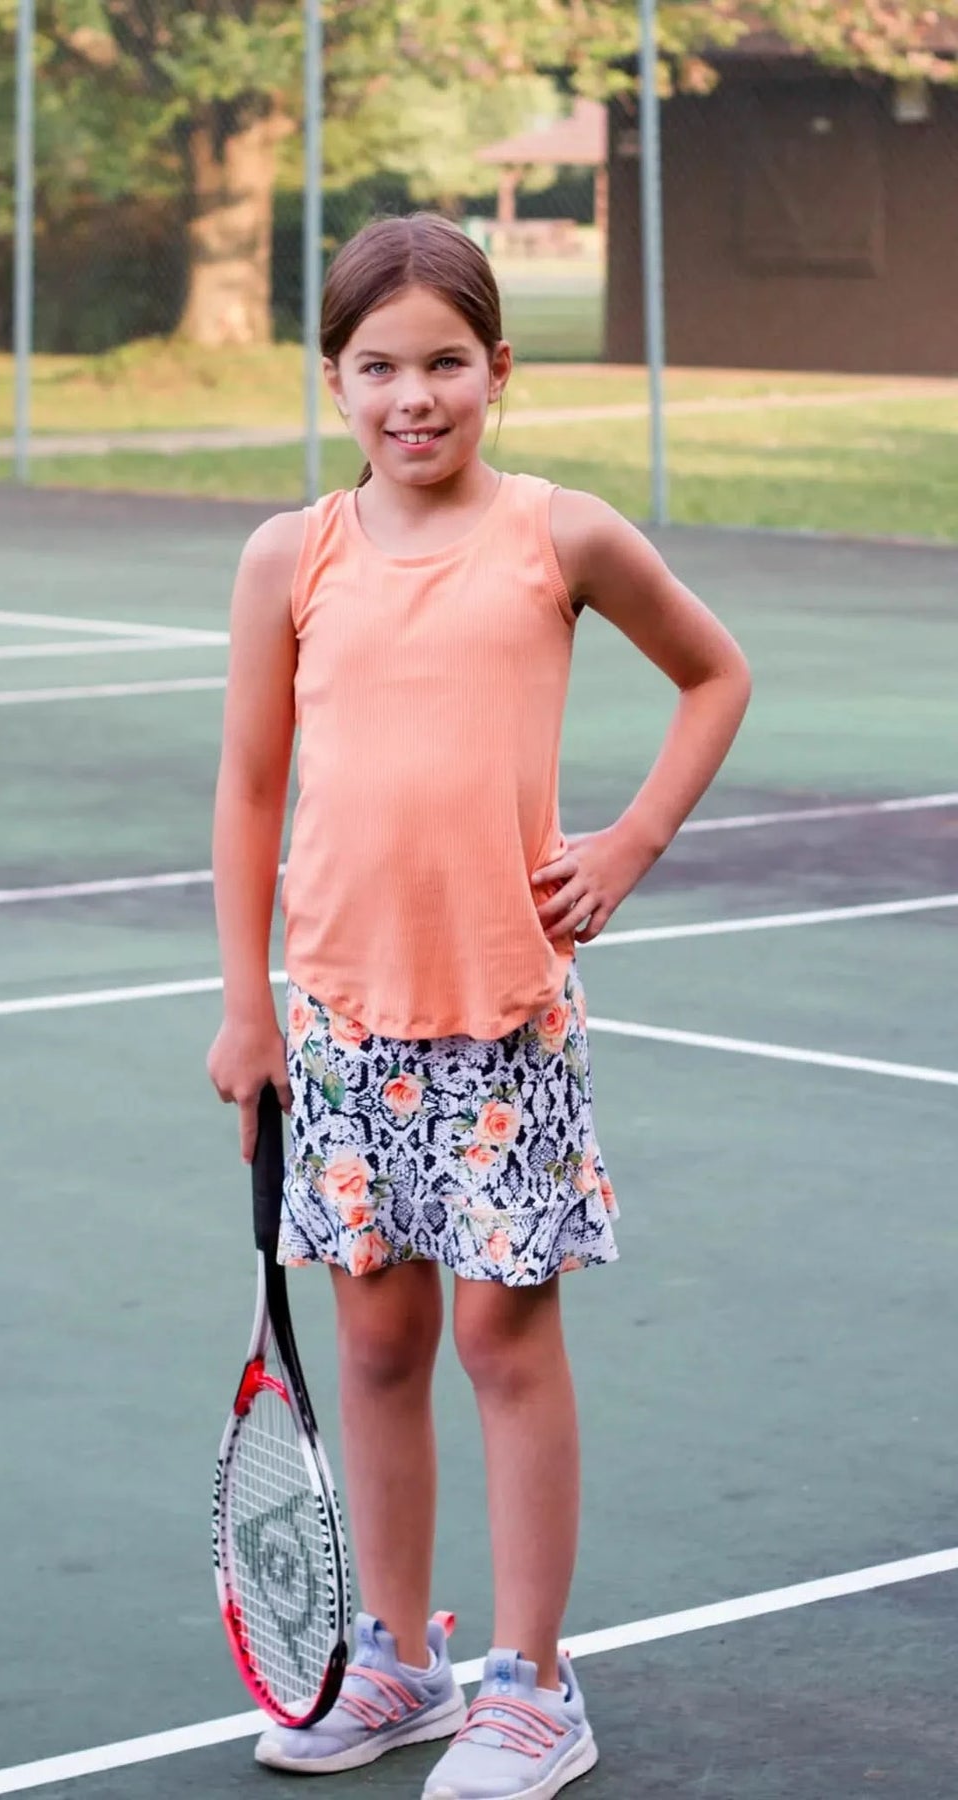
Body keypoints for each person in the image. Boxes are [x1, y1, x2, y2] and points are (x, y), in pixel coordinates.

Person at [207, 212, 751, 1799]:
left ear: (500, 371)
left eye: (447, 361)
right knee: (377, 1346)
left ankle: (533, 1683)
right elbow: (249, 794)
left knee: (506, 1341)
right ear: (333, 382)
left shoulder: (560, 537)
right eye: (379, 367)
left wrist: (631, 841)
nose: (414, 397)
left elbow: (714, 673)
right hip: (346, 1029)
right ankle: (399, 1658)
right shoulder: (286, 557)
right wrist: (250, 1009)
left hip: (506, 1022)